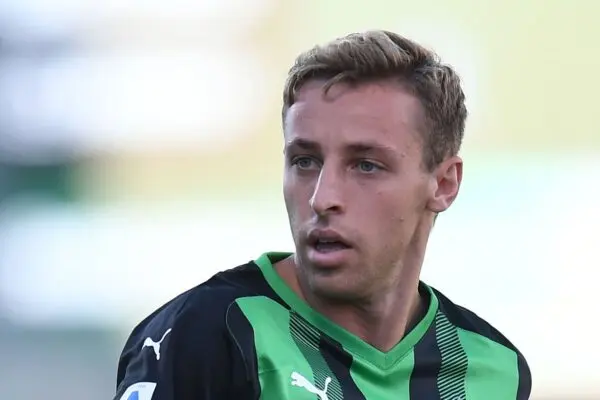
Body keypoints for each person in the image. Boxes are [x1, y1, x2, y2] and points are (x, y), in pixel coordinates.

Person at [114, 30, 531, 400]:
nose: (322, 197)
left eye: (366, 165)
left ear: (443, 184)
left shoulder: (494, 370)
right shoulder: (209, 335)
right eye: (305, 161)